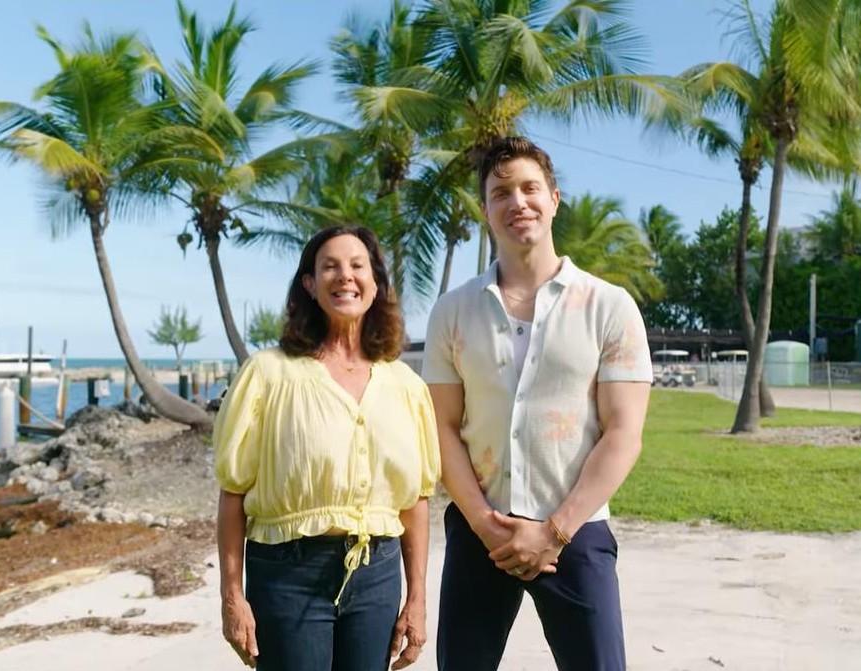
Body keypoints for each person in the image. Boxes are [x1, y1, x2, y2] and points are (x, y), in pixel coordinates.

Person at [423, 137, 652, 670]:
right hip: (481, 532)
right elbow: (442, 428)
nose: (517, 202)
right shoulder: (452, 313)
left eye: (530, 188)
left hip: (577, 532)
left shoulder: (609, 307)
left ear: (554, 198)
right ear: (485, 211)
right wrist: (484, 525)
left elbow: (623, 434)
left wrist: (554, 532)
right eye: (500, 192)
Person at [214, 225, 440, 671]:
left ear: (375, 285)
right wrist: (231, 595)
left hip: (378, 575)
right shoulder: (266, 374)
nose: (345, 276)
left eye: (358, 266)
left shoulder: (406, 387)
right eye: (330, 267)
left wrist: (417, 598)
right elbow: (232, 492)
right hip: (286, 575)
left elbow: (415, 501)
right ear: (309, 284)